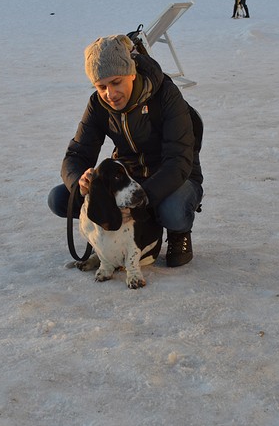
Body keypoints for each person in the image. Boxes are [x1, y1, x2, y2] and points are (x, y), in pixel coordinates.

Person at [47, 35, 204, 267]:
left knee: (172, 210)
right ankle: (117, 237)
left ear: (131, 73)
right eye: (101, 86)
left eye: (116, 82)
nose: (110, 94)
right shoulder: (98, 105)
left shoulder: (166, 96)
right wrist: (79, 183)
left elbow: (178, 162)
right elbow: (76, 155)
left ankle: (176, 231)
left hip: (176, 178)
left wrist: (141, 200)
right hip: (129, 179)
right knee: (61, 198)